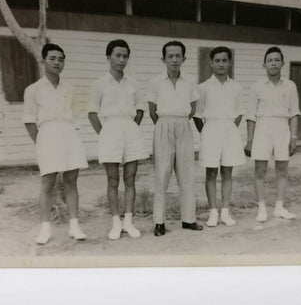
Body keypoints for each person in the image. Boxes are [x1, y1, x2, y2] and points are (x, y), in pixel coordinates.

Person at [23, 43, 88, 245]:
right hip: (47, 136)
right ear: (43, 61)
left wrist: (71, 138)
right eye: (52, 58)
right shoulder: (33, 90)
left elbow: (75, 117)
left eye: (61, 59)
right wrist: (41, 143)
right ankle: (45, 229)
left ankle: (74, 226)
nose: (57, 62)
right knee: (48, 183)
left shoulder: (69, 88)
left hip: (68, 134)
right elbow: (29, 121)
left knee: (71, 181)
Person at [88, 39, 148, 240]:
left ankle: (128, 222)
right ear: (108, 57)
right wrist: (105, 135)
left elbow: (140, 110)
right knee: (113, 179)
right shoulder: (99, 84)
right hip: (110, 130)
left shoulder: (134, 83)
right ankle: (115, 223)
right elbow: (92, 113)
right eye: (117, 55)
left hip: (130, 130)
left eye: (125, 56)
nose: (121, 60)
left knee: (130, 178)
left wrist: (131, 128)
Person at [147, 40, 203, 237]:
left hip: (184, 125)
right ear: (163, 59)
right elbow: (152, 111)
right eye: (170, 56)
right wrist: (165, 125)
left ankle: (189, 220)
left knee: (186, 174)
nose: (174, 60)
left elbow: (193, 108)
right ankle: (159, 222)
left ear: (184, 58)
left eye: (178, 56)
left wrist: (180, 123)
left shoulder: (190, 81)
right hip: (163, 125)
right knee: (162, 175)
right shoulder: (155, 82)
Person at [244, 46, 301, 222]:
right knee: (260, 170)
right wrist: (250, 140)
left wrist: (293, 137)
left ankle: (279, 207)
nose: (273, 63)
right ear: (264, 64)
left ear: (282, 63)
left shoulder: (290, 85)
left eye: (277, 60)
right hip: (263, 128)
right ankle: (261, 208)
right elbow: (251, 115)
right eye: (270, 60)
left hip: (282, 129)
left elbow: (294, 113)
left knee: (282, 169)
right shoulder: (256, 86)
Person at [193, 46, 246, 227]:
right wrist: (207, 132)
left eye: (224, 60)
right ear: (211, 63)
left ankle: (225, 212)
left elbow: (239, 113)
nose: (221, 64)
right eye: (217, 61)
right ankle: (213, 212)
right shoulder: (203, 87)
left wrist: (229, 129)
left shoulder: (236, 87)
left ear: (230, 63)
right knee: (211, 172)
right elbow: (197, 115)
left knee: (227, 172)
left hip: (229, 130)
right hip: (210, 130)